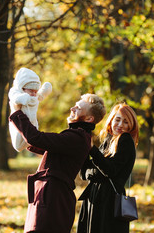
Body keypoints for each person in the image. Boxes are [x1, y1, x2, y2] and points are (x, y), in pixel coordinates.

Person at [9, 93, 106, 233]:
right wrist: (26, 138)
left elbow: (36, 138)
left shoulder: (77, 137)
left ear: (89, 118)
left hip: (53, 198)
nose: (72, 108)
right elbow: (40, 144)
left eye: (78, 108)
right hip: (51, 195)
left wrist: (17, 111)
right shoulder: (77, 136)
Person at [77, 102, 139, 233]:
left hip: (109, 201)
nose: (121, 125)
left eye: (126, 122)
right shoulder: (108, 141)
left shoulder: (125, 140)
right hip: (95, 197)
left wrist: (92, 150)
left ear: (131, 126)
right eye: (117, 120)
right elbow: (85, 174)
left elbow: (110, 170)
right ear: (111, 121)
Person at [8, 67, 52, 152]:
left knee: (33, 137)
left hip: (32, 125)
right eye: (31, 91)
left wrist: (44, 91)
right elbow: (16, 98)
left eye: (36, 91)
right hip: (18, 124)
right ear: (23, 89)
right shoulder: (16, 92)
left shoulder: (34, 97)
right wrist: (26, 98)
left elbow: (40, 96)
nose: (34, 94)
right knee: (18, 142)